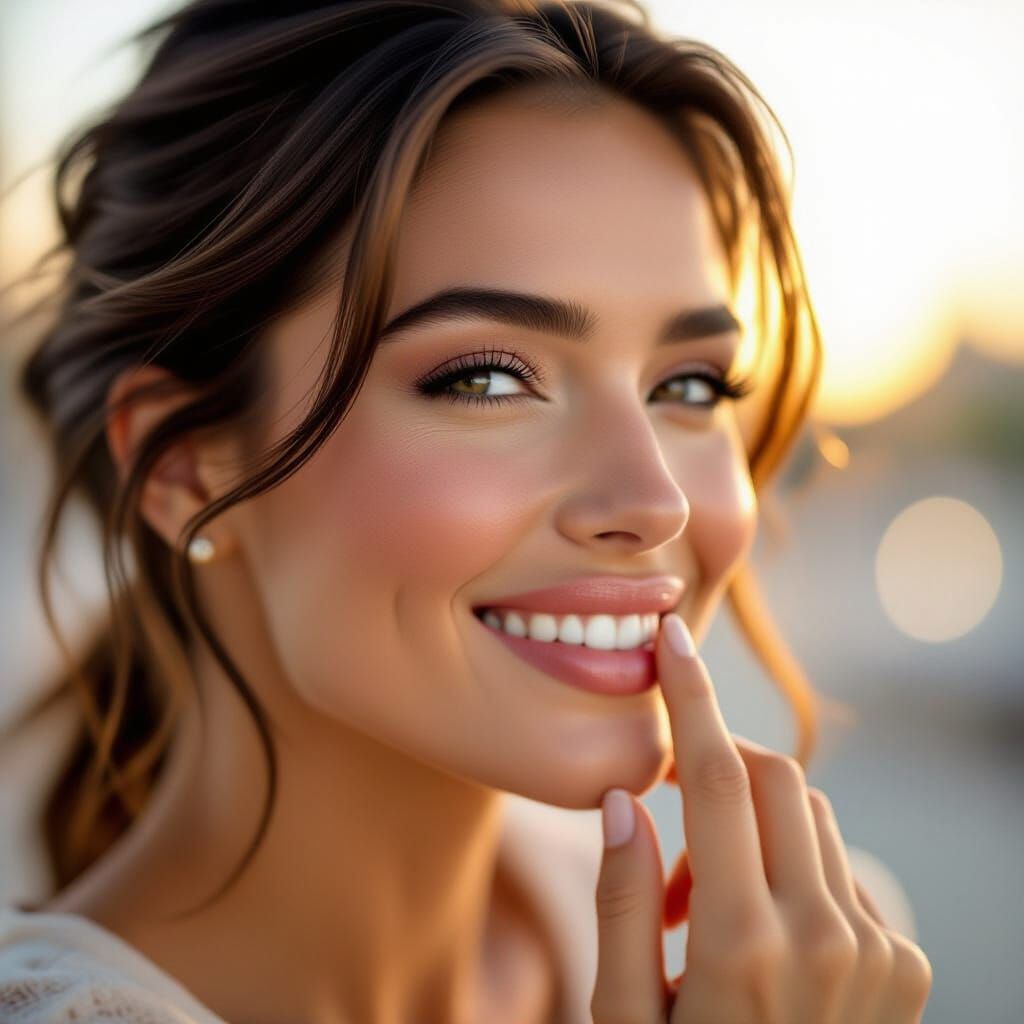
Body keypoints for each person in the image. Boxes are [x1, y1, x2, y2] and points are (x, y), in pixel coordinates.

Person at [0, 0, 933, 1021]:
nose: (653, 501)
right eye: (487, 379)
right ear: (183, 466)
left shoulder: (789, 967)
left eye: (691, 387)